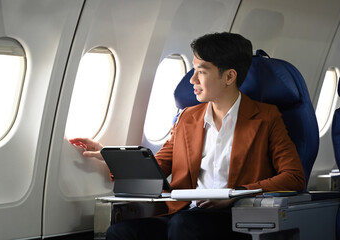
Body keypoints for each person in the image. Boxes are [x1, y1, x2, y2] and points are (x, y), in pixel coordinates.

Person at [69, 32, 306, 240]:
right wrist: (109, 155)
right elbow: (159, 166)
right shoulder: (187, 118)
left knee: (185, 227)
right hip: (186, 213)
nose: (192, 80)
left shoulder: (266, 117)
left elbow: (293, 177)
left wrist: (234, 195)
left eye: (201, 72)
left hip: (234, 217)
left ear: (229, 77)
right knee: (120, 232)